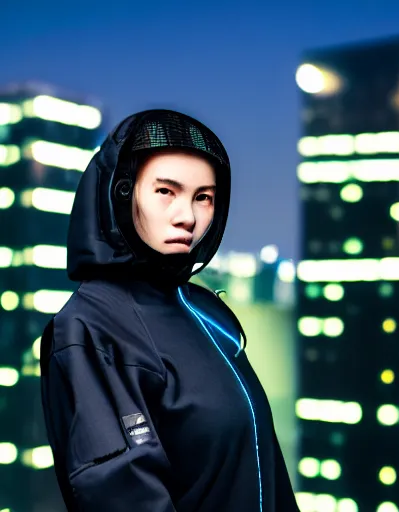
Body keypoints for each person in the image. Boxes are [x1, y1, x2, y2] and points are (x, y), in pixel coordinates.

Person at [39, 109, 300, 512]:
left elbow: (265, 472)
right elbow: (120, 494)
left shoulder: (208, 315)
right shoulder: (88, 328)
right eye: (166, 191)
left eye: (204, 197)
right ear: (122, 192)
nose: (188, 217)